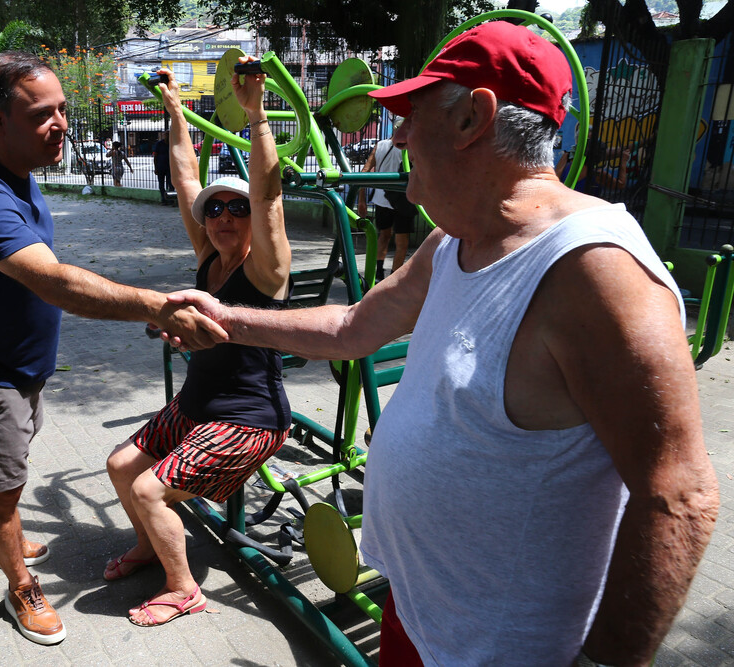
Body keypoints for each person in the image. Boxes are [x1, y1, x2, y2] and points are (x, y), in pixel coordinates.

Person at [169, 21, 718, 665]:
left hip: (500, 648)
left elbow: (679, 494)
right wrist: (227, 319)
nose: (397, 135)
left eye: (410, 113)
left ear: (471, 120)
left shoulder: (595, 273)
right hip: (422, 612)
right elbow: (353, 329)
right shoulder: (452, 242)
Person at [0, 51, 226, 646]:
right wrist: (154, 305)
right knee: (3, 487)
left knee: (9, 469)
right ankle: (15, 577)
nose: (63, 124)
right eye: (44, 114)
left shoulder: (12, 163)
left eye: (63, 109)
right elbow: (56, 281)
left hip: (22, 363)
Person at [104, 61, 292, 628]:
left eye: (237, 207)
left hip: (250, 419)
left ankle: (184, 588)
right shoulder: (209, 254)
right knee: (120, 466)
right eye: (215, 209)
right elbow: (187, 173)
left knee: (150, 488)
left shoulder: (266, 270)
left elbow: (270, 198)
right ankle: (148, 545)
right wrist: (175, 111)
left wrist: (256, 112)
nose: (225, 215)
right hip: (198, 407)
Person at [357, 117, 416, 280]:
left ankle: (379, 273)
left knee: (383, 236)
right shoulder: (411, 147)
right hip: (403, 201)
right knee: (402, 243)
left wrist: (362, 199)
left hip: (381, 198)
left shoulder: (380, 145)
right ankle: (393, 278)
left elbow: (365, 171)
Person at [152, 132, 173, 204]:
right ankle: (164, 199)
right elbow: (155, 156)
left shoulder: (172, 144)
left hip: (169, 167)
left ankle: (170, 199)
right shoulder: (159, 144)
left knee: (170, 184)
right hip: (161, 166)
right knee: (162, 184)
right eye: (166, 134)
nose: (167, 136)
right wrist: (155, 167)